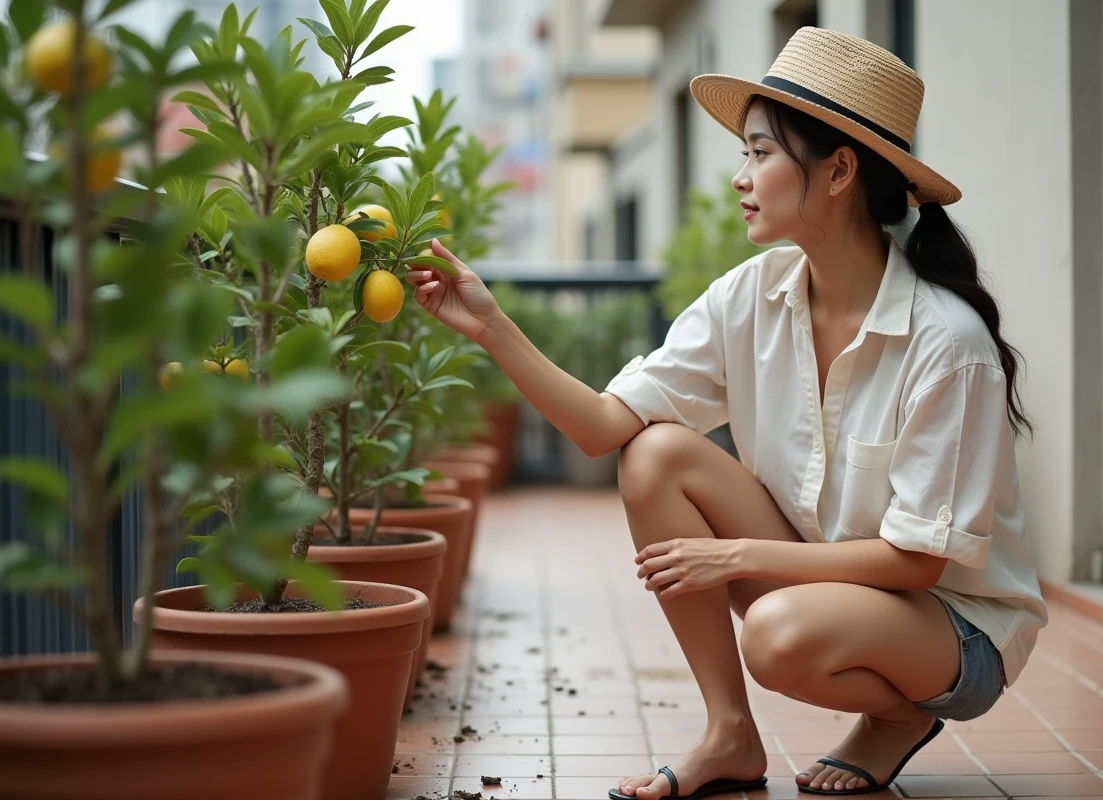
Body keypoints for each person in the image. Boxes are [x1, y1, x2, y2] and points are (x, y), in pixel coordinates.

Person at [408, 26, 1048, 799]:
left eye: (760, 153)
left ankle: (897, 716)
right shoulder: (750, 297)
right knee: (655, 455)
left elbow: (916, 563)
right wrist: (490, 326)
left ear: (840, 170)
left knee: (775, 637)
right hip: (829, 586)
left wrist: (737, 557)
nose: (741, 178)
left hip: (956, 627)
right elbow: (604, 427)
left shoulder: (946, 343)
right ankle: (729, 734)